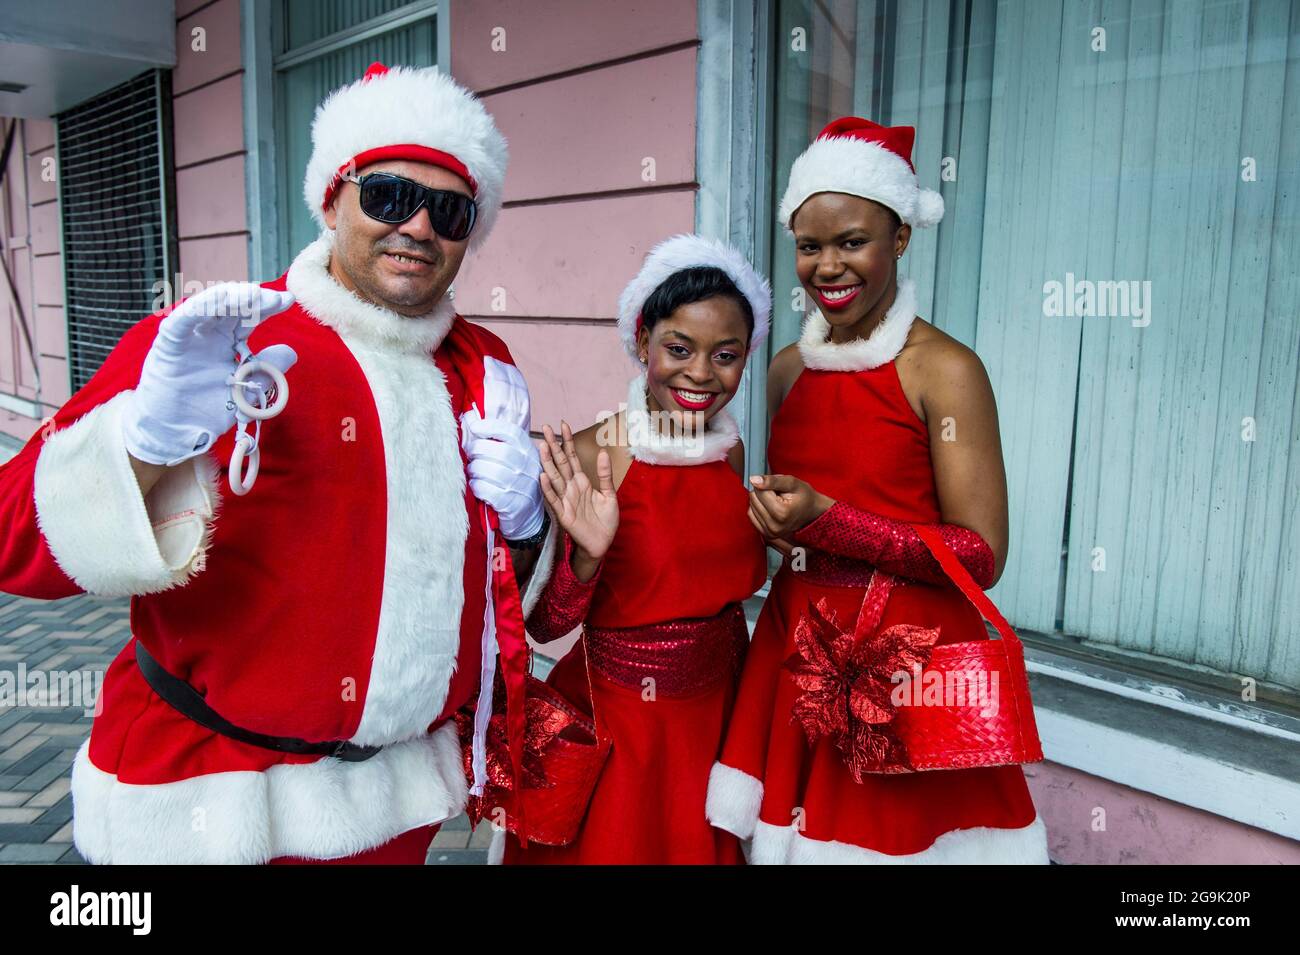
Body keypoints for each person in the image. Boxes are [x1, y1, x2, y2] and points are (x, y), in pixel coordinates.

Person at [0, 62, 558, 864]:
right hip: (213, 802)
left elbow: (497, 595)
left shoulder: (483, 365)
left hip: (395, 804)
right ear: (332, 200)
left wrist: (527, 524)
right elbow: (14, 537)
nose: (420, 227)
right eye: (389, 196)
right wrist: (140, 450)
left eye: (451, 210)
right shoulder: (218, 337)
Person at [706, 118, 1050, 863]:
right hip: (796, 654)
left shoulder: (945, 369)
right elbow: (792, 515)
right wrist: (775, 526)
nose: (828, 265)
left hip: (908, 671)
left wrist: (831, 522)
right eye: (810, 245)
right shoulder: (788, 368)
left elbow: (981, 554)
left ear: (900, 237)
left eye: (852, 241)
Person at [496, 235, 771, 864]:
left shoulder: (728, 449)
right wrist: (586, 557)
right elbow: (543, 625)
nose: (701, 373)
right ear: (643, 342)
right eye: (679, 349)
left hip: (717, 711)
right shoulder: (594, 454)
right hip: (624, 722)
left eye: (725, 355)